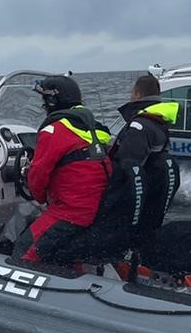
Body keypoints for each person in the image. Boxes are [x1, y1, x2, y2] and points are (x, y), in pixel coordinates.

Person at [17, 74, 113, 266]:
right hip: (97, 210)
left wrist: (39, 195)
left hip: (71, 212)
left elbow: (38, 176)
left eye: (44, 101)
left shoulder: (54, 131)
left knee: (24, 248)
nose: (43, 107)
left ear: (53, 101)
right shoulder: (93, 128)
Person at [109, 73, 181, 248]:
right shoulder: (159, 123)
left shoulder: (139, 126)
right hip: (150, 194)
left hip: (132, 198)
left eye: (132, 93)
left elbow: (127, 164)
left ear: (137, 96)